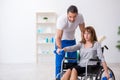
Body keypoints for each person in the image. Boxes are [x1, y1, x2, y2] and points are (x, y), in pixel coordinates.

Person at [54, 5, 85, 79]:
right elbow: (58, 37)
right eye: (70, 17)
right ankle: (58, 78)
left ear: (77, 14)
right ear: (67, 14)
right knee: (59, 64)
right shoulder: (61, 19)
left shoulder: (80, 17)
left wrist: (83, 43)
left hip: (71, 41)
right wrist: (59, 48)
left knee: (73, 62)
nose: (72, 19)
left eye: (74, 16)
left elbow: (83, 31)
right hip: (61, 41)